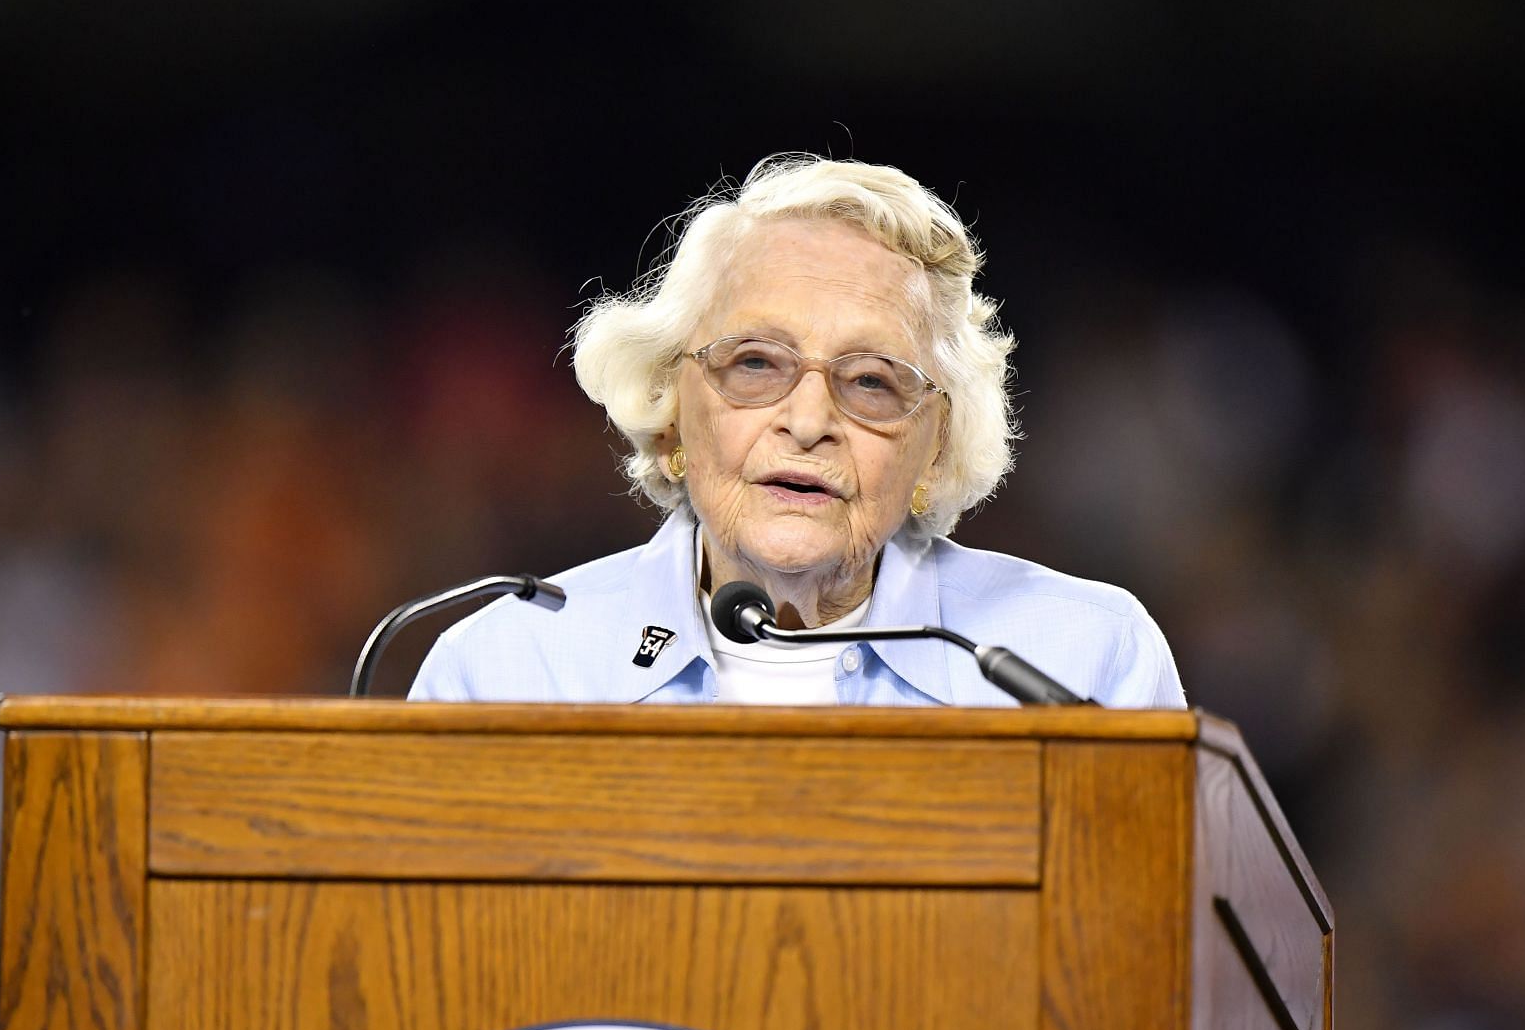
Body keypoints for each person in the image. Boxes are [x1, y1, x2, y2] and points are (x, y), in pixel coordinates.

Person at [411, 155, 1185, 708]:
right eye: (755, 364)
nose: (810, 421)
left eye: (872, 382)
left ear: (936, 445)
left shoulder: (1079, 661)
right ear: (671, 406)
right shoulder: (511, 669)